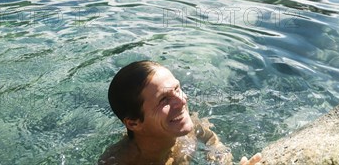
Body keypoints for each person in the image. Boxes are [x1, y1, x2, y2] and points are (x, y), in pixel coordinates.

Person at [98, 60, 262, 165]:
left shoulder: (185, 128)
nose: (183, 100)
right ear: (133, 123)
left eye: (177, 89)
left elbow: (209, 137)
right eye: (164, 99)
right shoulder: (119, 162)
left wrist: (219, 154)